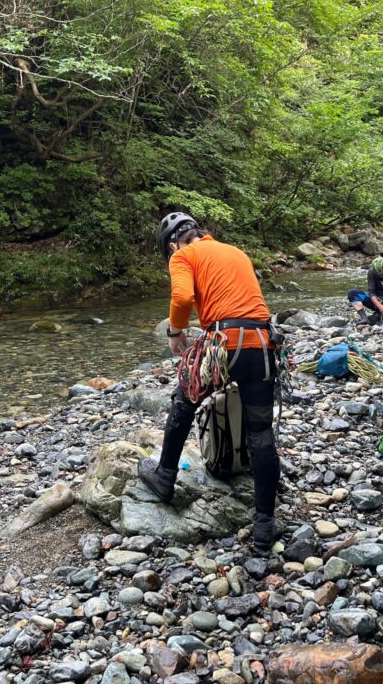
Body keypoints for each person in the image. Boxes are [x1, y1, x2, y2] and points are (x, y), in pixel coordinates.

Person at [138, 212, 283, 554]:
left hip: (221, 343)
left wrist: (175, 333)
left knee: (184, 400)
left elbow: (183, 299)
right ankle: (264, 527)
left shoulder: (182, 255)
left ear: (172, 245)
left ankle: (165, 476)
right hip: (261, 344)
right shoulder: (236, 252)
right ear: (202, 233)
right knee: (261, 432)